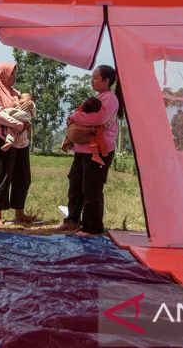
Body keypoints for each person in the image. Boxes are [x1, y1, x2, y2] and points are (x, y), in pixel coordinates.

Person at [56, 65, 119, 237]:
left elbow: (98, 118)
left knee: (91, 187)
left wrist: (75, 117)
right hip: (82, 150)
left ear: (106, 81)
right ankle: (72, 221)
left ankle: (92, 227)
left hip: (98, 150)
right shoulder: (100, 97)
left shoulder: (110, 99)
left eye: (95, 77)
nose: (92, 80)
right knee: (75, 184)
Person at [0, 63, 36, 226]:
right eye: (11, 74)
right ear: (2, 75)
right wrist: (18, 125)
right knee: (3, 175)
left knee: (23, 176)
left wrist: (31, 104)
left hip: (20, 140)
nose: (14, 77)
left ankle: (19, 213)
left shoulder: (15, 93)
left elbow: (28, 108)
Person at [60, 96, 109, 166]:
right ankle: (95, 155)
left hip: (71, 134)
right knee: (95, 137)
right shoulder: (96, 118)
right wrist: (104, 150)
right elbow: (103, 115)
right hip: (80, 136)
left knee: (73, 129)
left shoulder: (77, 114)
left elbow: (70, 119)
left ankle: (67, 141)